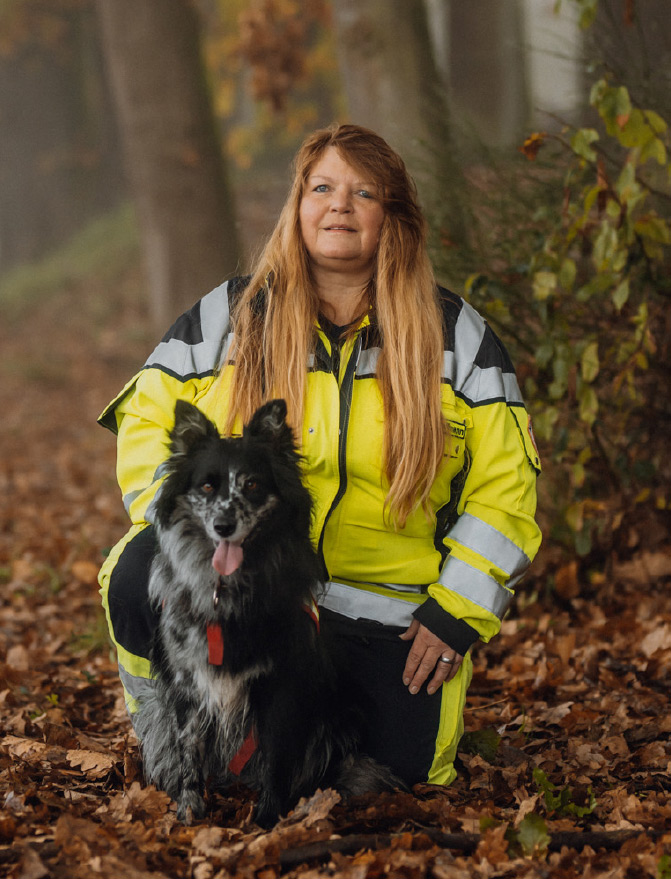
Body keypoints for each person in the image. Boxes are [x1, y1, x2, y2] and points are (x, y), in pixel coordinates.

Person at [98, 123, 541, 789]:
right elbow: (147, 423)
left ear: (392, 218)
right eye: (322, 187)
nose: (339, 204)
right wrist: (182, 544)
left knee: (397, 781)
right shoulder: (228, 313)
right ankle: (169, 729)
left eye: (363, 192)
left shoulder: (457, 337)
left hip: (382, 610)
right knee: (132, 575)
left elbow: (505, 488)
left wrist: (455, 611)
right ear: (298, 205)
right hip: (246, 588)